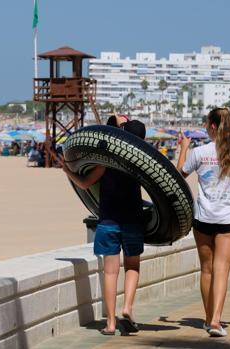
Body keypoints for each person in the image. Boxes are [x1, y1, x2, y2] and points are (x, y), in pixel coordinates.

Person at [177, 108, 230, 337]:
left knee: (207, 270)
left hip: (203, 218)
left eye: (206, 124)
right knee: (221, 270)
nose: (205, 127)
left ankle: (208, 318)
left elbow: (178, 175)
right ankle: (215, 321)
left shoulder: (199, 152)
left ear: (213, 126)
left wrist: (184, 148)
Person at [61, 114, 146, 335]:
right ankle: (127, 307)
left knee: (110, 273)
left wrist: (68, 171)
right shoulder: (142, 166)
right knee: (132, 266)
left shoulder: (107, 162)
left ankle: (110, 323)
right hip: (133, 221)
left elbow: (85, 183)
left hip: (108, 221)